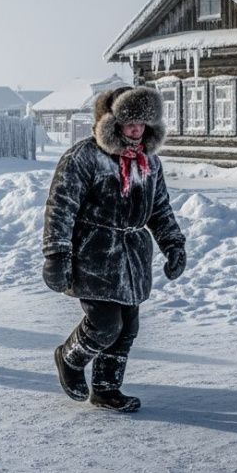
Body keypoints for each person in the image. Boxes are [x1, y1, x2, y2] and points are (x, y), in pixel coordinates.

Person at [42, 85, 186, 413]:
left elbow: (160, 209)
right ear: (112, 122)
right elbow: (61, 208)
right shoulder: (84, 157)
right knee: (105, 325)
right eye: (129, 122)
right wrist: (56, 254)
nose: (136, 130)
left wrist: (173, 244)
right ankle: (69, 358)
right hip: (93, 253)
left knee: (127, 329)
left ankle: (107, 389)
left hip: (132, 257)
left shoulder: (149, 163)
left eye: (142, 123)